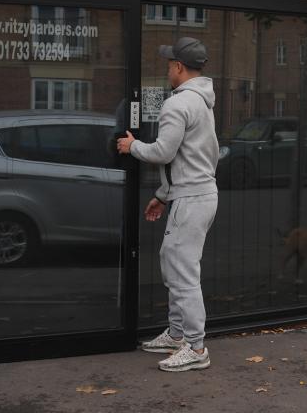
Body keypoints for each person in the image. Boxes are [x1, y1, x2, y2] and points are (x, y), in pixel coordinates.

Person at [117, 37, 219, 372]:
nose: (167, 69)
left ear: (178, 67)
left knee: (183, 269)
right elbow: (193, 156)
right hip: (196, 194)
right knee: (172, 260)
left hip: (192, 198)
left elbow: (163, 152)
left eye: (168, 64)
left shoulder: (178, 104)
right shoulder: (202, 102)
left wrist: (131, 146)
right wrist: (163, 195)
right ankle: (178, 334)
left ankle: (196, 346)